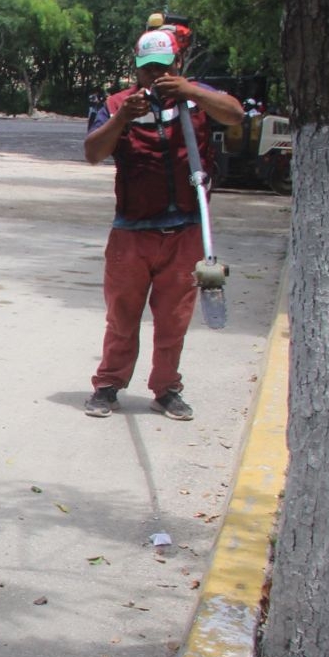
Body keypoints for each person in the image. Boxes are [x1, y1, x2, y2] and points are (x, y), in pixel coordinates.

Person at [82, 25, 241, 421]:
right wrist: (122, 119)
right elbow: (92, 152)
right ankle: (108, 384)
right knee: (122, 316)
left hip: (186, 230)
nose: (155, 76)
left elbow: (235, 115)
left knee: (174, 320)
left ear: (178, 64)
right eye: (147, 68)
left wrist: (188, 90)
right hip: (132, 232)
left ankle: (167, 389)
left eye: (162, 67)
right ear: (136, 69)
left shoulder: (197, 100)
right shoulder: (119, 103)